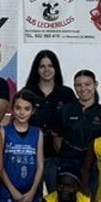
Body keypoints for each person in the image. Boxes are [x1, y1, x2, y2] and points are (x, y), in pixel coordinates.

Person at [22, 50, 74, 189]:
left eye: (50, 66)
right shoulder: (27, 92)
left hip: (57, 159)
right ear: (36, 69)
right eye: (42, 66)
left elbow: (73, 124)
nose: (46, 70)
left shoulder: (67, 93)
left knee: (57, 200)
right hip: (31, 157)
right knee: (32, 201)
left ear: (56, 68)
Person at [0, 90, 46, 202]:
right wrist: (13, 191)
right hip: (8, 191)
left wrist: (32, 192)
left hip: (30, 193)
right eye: (18, 108)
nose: (22, 112)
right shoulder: (3, 131)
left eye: (26, 109)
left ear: (33, 111)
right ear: (12, 109)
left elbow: (40, 166)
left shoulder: (38, 133)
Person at [55, 69, 101, 195]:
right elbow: (57, 139)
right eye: (78, 85)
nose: (83, 89)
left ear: (95, 85)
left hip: (94, 167)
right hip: (68, 166)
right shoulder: (65, 110)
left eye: (87, 84)